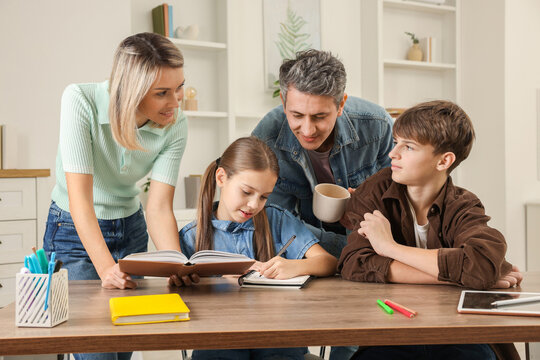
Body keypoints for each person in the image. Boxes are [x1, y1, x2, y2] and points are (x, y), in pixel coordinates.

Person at [338, 100, 523, 360]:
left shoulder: (463, 204)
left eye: (409, 147)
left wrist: (390, 248)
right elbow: (354, 263)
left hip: (458, 332)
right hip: (389, 331)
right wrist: (460, 276)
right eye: (396, 142)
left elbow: (482, 261)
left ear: (443, 161)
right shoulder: (375, 191)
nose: (393, 153)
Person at [43, 32, 188, 360]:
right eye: (162, 93)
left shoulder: (175, 124)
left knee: (123, 350)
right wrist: (107, 268)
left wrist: (174, 262)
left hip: (130, 231)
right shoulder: (79, 100)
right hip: (73, 231)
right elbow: (81, 198)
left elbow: (159, 206)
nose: (175, 102)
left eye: (179, 87)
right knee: (96, 352)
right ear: (132, 92)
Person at [175, 136, 337, 360]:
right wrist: (217, 281)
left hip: (278, 336)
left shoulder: (277, 220)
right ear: (221, 177)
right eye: (246, 192)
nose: (254, 205)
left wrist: (294, 266)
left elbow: (328, 262)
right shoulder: (192, 236)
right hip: (218, 339)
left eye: (264, 197)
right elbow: (178, 296)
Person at [252, 49, 394, 262]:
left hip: (370, 250)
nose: (308, 130)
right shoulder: (267, 138)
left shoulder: (377, 126)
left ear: (341, 105)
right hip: (311, 256)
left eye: (319, 117)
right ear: (283, 102)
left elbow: (399, 202)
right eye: (297, 115)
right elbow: (276, 222)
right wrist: (346, 251)